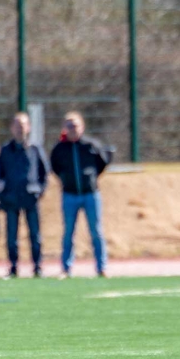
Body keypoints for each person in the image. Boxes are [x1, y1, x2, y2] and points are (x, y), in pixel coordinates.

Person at [50, 112, 112, 278]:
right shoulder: (59, 149)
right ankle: (66, 268)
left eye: (75, 125)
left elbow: (103, 162)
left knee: (96, 231)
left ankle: (101, 267)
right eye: (69, 126)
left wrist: (90, 178)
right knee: (69, 232)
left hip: (90, 194)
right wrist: (66, 179)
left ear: (82, 127)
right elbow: (55, 167)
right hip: (69, 195)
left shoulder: (91, 145)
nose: (72, 129)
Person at [0, 112, 49, 278]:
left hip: (30, 197)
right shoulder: (5, 150)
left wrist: (39, 190)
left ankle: (37, 266)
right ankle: (13, 266)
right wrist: (2, 193)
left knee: (35, 234)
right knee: (11, 235)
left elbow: (44, 171)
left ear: (29, 127)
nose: (20, 129)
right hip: (11, 198)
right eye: (17, 125)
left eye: (23, 125)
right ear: (12, 128)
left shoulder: (35, 149)